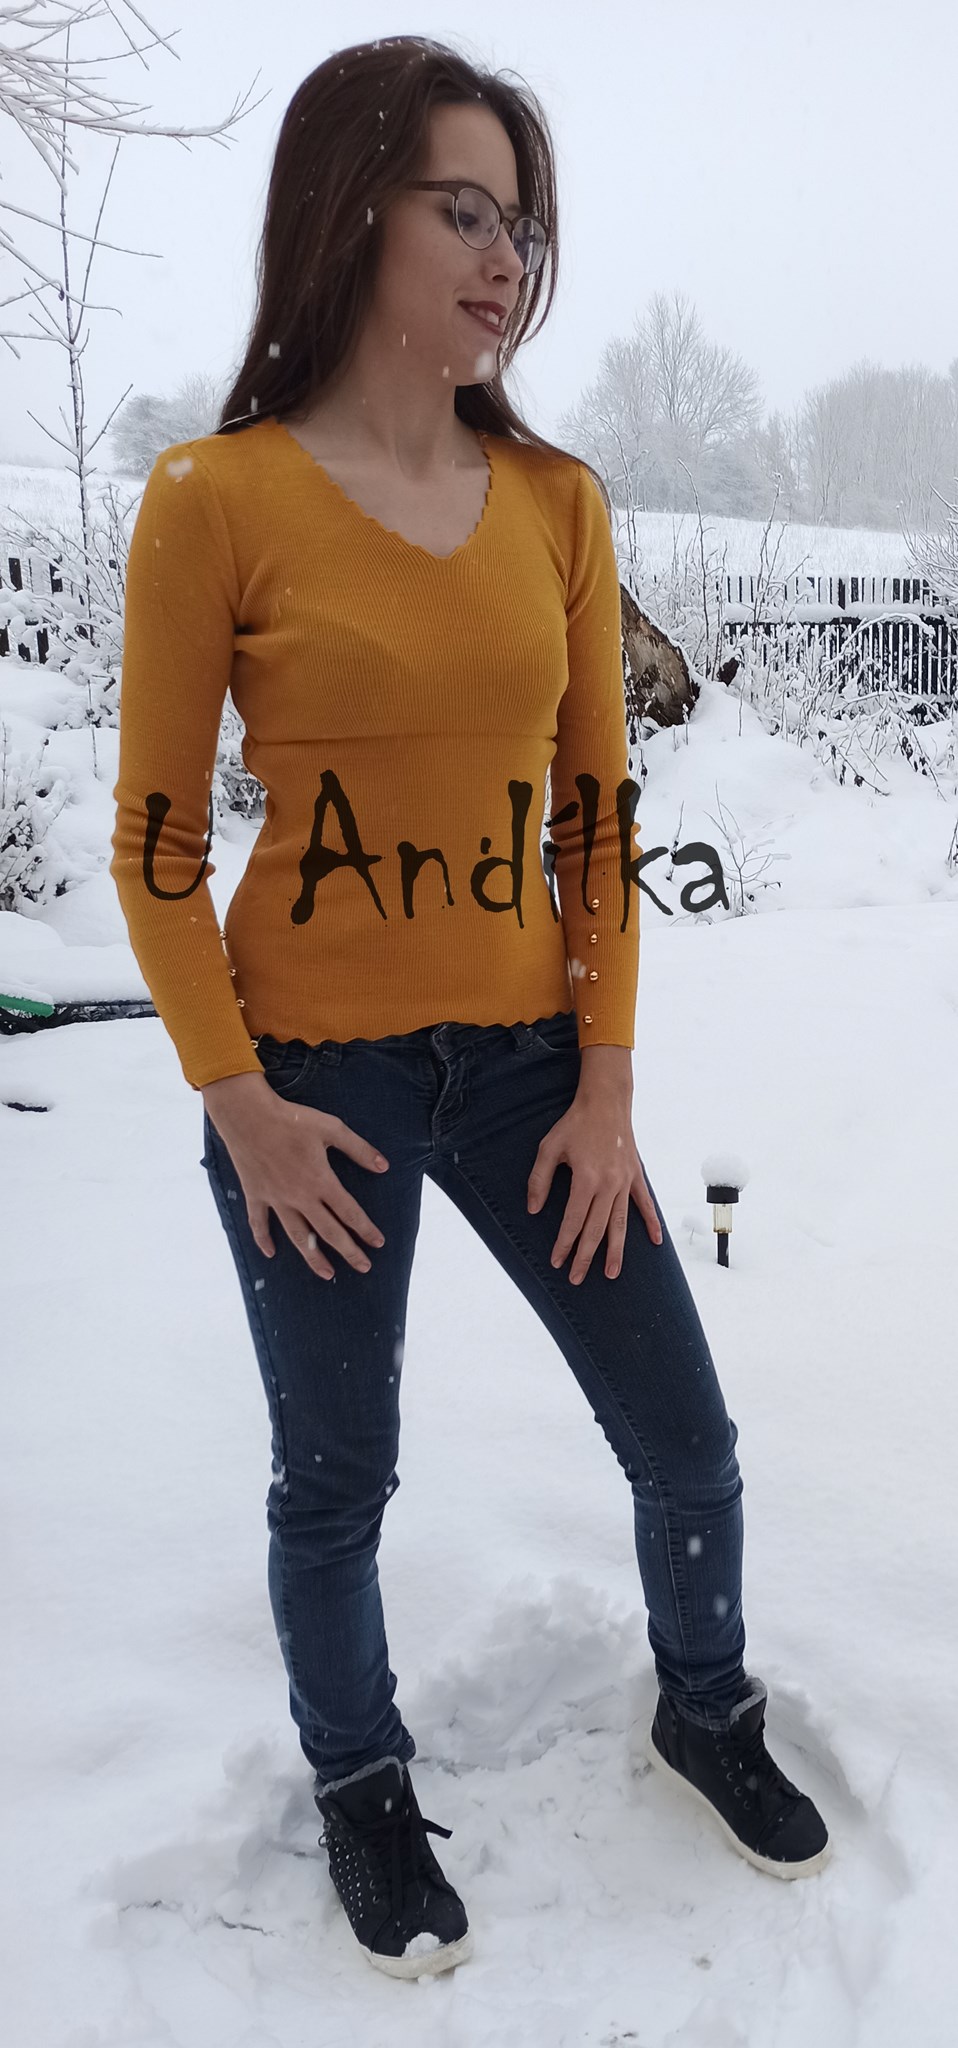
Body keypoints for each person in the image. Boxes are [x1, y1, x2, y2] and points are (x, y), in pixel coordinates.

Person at [110, 33, 829, 1984]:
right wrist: (239, 1102)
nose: (508, 256)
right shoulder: (214, 498)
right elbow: (156, 848)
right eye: (463, 209)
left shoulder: (557, 503)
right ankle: (359, 1780)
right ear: (349, 210)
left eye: (522, 221)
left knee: (685, 1438)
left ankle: (704, 1702)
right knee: (335, 1482)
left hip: (530, 1074)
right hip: (309, 1090)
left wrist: (604, 1089)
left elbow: (594, 819)